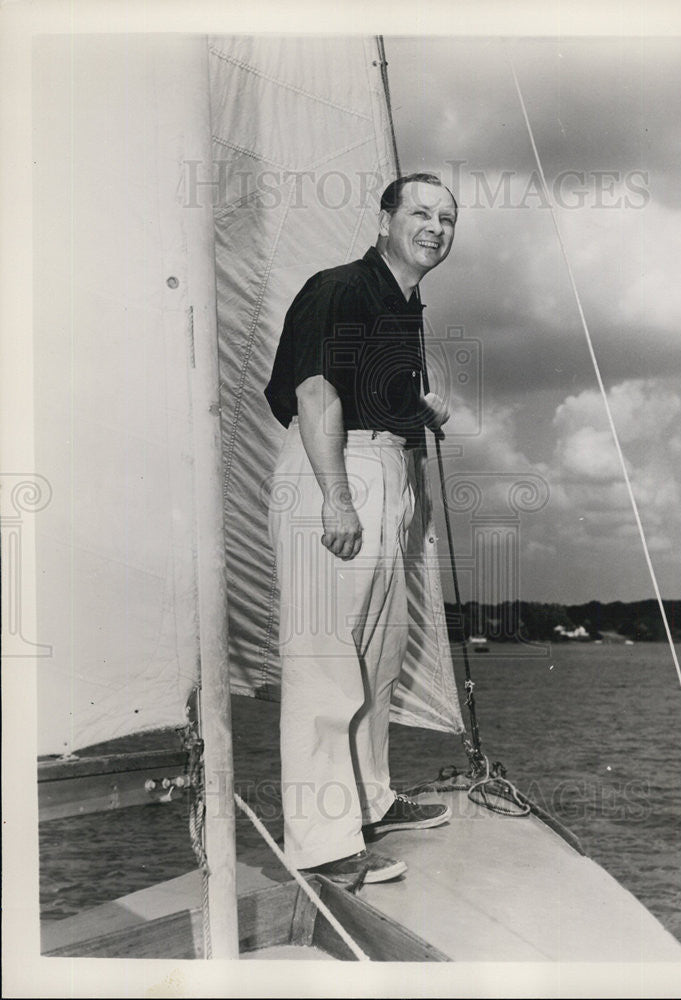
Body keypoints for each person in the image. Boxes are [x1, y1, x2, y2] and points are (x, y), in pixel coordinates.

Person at [265, 173, 457, 883]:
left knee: (376, 658)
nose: (435, 227)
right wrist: (337, 499)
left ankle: (369, 799)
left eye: (446, 218)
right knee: (323, 666)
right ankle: (322, 848)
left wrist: (419, 406)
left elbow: (365, 380)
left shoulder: (400, 303)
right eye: (420, 213)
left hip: (385, 474)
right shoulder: (338, 286)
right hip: (335, 474)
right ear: (384, 218)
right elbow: (315, 390)